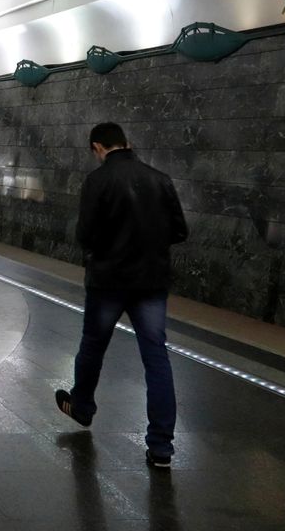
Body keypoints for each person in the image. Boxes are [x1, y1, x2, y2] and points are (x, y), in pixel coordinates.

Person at [56, 122, 188, 468]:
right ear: (126, 143)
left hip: (108, 281)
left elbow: (85, 234)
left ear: (98, 147)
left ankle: (82, 406)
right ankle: (161, 446)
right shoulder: (160, 179)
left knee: (93, 345)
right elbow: (179, 230)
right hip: (151, 283)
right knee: (156, 359)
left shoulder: (97, 181)